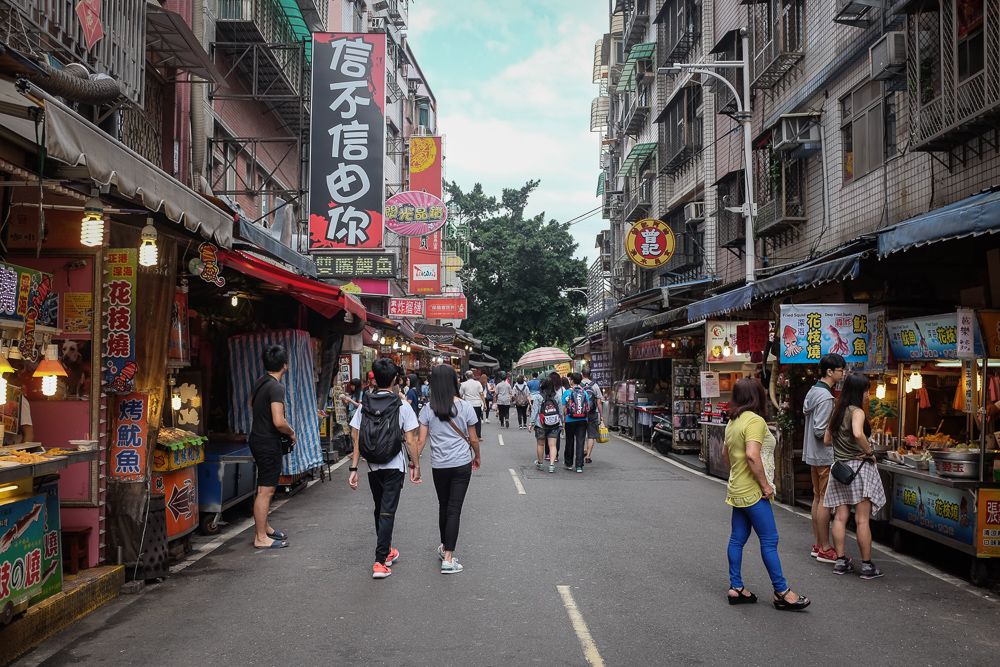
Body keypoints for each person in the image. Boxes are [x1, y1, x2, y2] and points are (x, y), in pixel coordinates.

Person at [724, 378, 809, 610]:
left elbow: (726, 454)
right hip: (753, 492)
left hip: (737, 489)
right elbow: (752, 455)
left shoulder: (733, 421)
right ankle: (782, 592)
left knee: (737, 539)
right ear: (758, 396)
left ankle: (736, 587)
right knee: (770, 541)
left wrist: (738, 473)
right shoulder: (755, 420)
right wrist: (765, 486)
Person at [349, 358, 420, 579]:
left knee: (379, 508)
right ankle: (380, 561)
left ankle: (387, 549)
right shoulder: (402, 405)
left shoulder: (365, 405)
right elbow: (410, 440)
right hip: (394, 465)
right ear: (395, 379)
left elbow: (356, 436)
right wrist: (416, 464)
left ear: (374, 379)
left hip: (372, 465)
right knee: (387, 511)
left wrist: (353, 468)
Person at [417, 364, 482, 574]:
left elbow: (421, 441)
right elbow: (473, 438)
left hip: (439, 465)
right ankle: (448, 558)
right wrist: (478, 456)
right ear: (455, 382)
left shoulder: (427, 409)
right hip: (461, 463)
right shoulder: (465, 407)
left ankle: (445, 548)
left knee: (443, 506)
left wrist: (414, 464)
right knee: (454, 510)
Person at [823, 373, 885, 579]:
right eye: (867, 390)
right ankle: (867, 566)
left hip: (840, 470)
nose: (868, 394)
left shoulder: (837, 411)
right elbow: (858, 433)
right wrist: (868, 452)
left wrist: (844, 448)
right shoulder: (857, 412)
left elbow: (826, 440)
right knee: (861, 520)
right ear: (860, 391)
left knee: (840, 518)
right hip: (859, 470)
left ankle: (840, 562)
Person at [248, 345, 296, 550]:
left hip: (258, 438)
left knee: (263, 488)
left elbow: (252, 403)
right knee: (266, 491)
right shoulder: (276, 387)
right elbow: (278, 421)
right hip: (268, 442)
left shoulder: (262, 381)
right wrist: (291, 431)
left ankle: (264, 527)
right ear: (284, 365)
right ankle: (260, 537)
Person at [802, 353, 845, 564]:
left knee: (818, 498)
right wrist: (837, 431)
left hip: (813, 454)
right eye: (841, 370)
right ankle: (825, 548)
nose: (843, 373)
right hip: (825, 456)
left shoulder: (813, 391)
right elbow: (820, 430)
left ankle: (818, 544)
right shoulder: (826, 397)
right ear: (830, 371)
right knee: (824, 500)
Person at [531, 377, 563, 473]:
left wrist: (531, 422)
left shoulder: (538, 397)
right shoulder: (556, 396)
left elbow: (535, 411)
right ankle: (552, 465)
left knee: (540, 444)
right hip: (554, 423)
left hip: (541, 424)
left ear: (542, 385)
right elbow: (560, 411)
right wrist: (561, 422)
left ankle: (540, 463)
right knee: (552, 445)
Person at [562, 373, 591, 473]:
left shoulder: (567, 392)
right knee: (580, 442)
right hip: (582, 420)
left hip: (570, 420)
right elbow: (588, 407)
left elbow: (563, 408)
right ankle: (579, 466)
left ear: (572, 381)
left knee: (569, 441)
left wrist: (562, 420)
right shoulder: (585, 392)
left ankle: (569, 463)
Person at [580, 369, 603, 463]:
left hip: (580, 414)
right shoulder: (595, 386)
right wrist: (601, 415)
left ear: (581, 374)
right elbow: (599, 402)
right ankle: (588, 456)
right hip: (592, 413)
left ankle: (581, 451)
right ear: (590, 374)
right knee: (591, 435)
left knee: (580, 434)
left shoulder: (578, 385)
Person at [459, 371, 486, 439]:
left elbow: (461, 395)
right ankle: (478, 436)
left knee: (467, 420)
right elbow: (482, 394)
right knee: (477, 420)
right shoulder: (478, 383)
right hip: (477, 404)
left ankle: (468, 435)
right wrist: (484, 404)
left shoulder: (463, 384)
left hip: (467, 405)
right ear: (473, 376)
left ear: (466, 377)